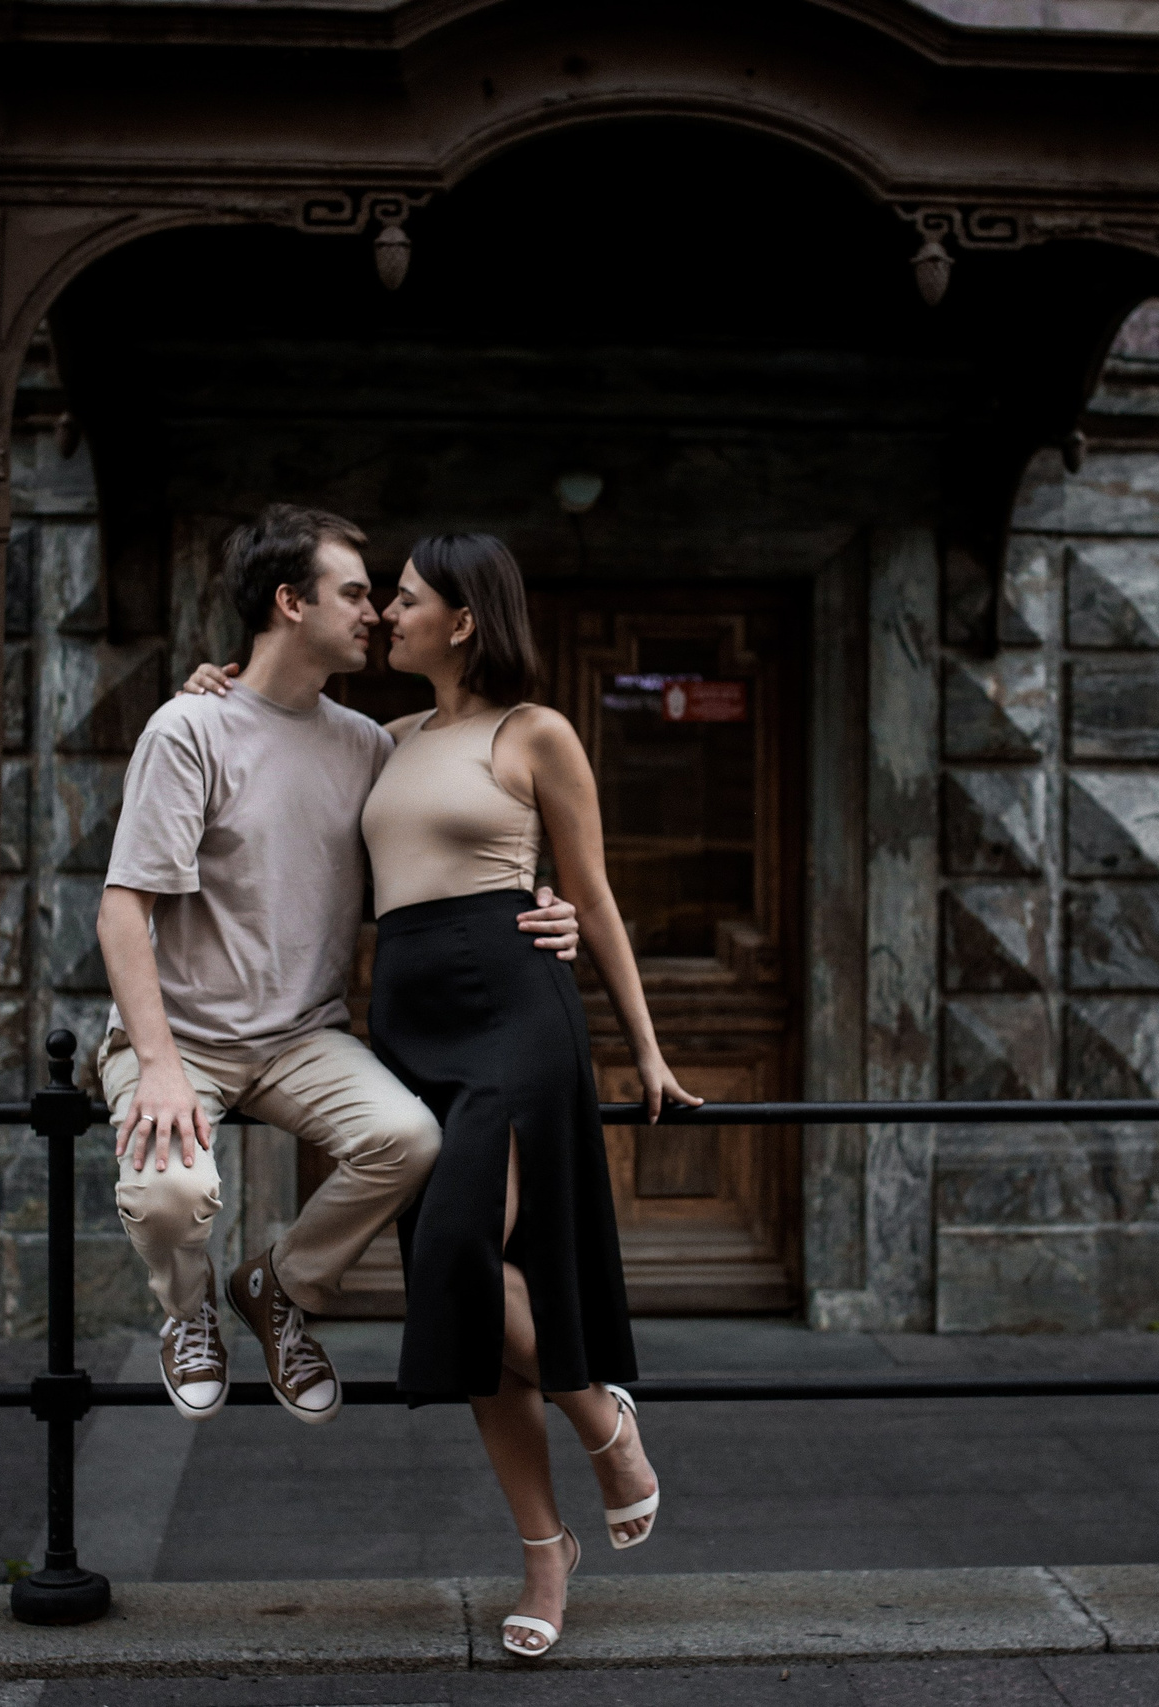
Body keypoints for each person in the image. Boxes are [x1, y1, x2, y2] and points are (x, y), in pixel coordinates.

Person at [184, 532, 693, 1659]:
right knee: (450, 1290)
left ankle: (603, 1423)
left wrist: (644, 1050)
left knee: (460, 1246)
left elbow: (595, 900)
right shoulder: (383, 738)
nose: (381, 617)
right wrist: (219, 686)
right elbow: (279, 745)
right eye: (377, 600)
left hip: (514, 1008)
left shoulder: (536, 733)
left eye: (402, 601)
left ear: (462, 620)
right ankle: (544, 1552)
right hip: (409, 1020)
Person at [96, 504, 579, 1430]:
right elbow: (123, 909)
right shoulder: (185, 730)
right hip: (182, 1035)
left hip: (303, 1037)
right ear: (289, 602)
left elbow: (463, 802)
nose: (378, 612)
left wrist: (541, 896)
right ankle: (189, 1310)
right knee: (172, 1192)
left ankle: (277, 1288)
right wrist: (156, 1064)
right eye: (356, 593)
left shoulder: (369, 743)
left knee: (410, 1138)